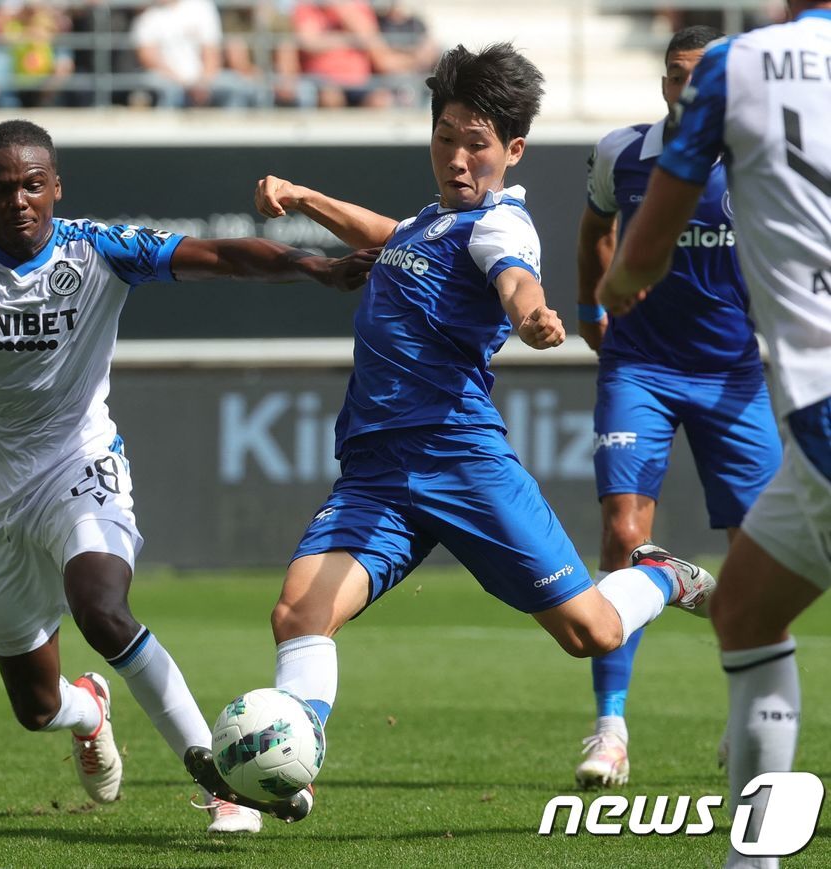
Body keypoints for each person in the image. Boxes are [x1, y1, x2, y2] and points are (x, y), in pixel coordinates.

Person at [185, 43, 718, 824]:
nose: (458, 157)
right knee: (299, 611)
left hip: (459, 462)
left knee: (591, 632)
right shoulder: (434, 222)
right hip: (378, 474)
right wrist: (304, 197)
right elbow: (390, 236)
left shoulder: (500, 225)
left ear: (512, 150)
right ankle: (289, 766)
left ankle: (664, 575)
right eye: (446, 138)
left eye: (477, 143)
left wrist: (531, 315)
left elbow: (514, 276)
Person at [0, 119, 364, 834]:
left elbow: (221, 254)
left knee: (101, 607)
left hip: (80, 465)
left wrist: (315, 267)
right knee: (37, 706)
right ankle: (89, 710)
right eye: (2, 187)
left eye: (33, 184)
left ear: (56, 187)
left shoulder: (96, 249)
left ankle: (221, 778)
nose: (18, 199)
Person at [597, 5, 831, 866]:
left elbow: (643, 250)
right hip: (800, 432)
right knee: (742, 606)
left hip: (819, 406)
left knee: (746, 609)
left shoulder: (741, 65)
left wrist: (620, 280)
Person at [571, 25, 781, 790]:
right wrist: (592, 309)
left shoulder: (761, 160)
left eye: (700, 77)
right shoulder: (621, 153)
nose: (685, 90)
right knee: (623, 533)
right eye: (674, 75)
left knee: (762, 560)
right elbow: (595, 226)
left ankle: (746, 713)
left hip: (734, 377)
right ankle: (611, 727)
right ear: (661, 82)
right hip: (641, 369)